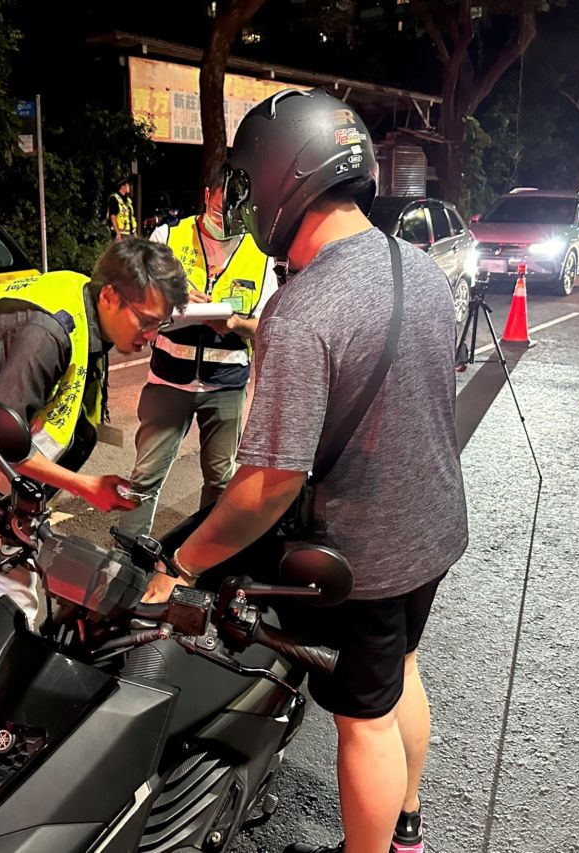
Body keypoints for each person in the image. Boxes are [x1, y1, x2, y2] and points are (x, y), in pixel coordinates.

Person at [142, 89, 468, 853]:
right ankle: (407, 827)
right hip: (433, 525)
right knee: (401, 670)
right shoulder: (419, 268)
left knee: (363, 722)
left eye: (252, 180)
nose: (250, 200)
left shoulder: (304, 305)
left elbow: (268, 486)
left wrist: (179, 565)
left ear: (286, 177)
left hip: (365, 555)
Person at [0, 238, 189, 627]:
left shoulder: (82, 301)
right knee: (6, 590)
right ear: (110, 296)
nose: (151, 336)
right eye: (146, 321)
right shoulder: (44, 333)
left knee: (19, 567)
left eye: (161, 324)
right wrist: (85, 487)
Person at [118, 166, 279, 538]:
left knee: (221, 480)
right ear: (207, 196)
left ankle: (203, 556)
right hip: (168, 380)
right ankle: (125, 553)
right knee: (145, 475)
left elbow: (265, 325)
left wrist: (235, 324)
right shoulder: (168, 237)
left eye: (234, 214)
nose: (225, 221)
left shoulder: (261, 254)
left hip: (225, 385)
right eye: (219, 210)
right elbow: (136, 302)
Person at [108, 176, 137, 241]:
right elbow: (113, 217)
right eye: (128, 185)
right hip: (120, 234)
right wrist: (117, 233)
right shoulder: (114, 199)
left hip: (129, 234)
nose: (129, 187)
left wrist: (134, 232)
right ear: (122, 187)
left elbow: (130, 217)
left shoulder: (128, 200)